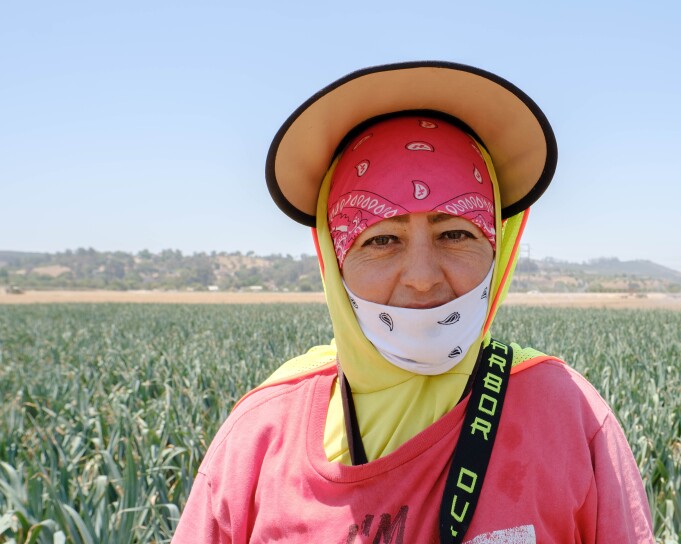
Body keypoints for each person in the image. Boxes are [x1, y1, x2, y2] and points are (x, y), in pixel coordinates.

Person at [173, 61, 654, 543]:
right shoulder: (260, 438)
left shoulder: (568, 417)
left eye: (455, 233)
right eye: (381, 240)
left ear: (498, 249)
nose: (422, 279)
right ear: (336, 261)